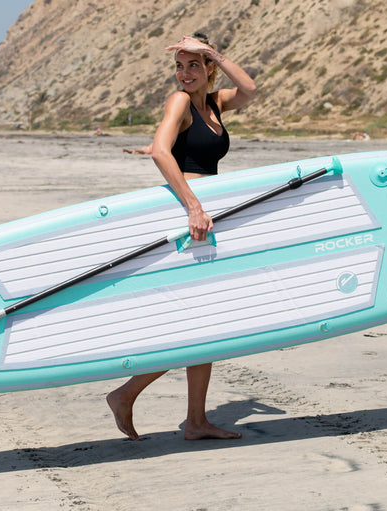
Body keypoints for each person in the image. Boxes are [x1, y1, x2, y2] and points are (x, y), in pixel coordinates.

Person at [107, 32, 257, 441]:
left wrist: (216, 55)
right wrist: (193, 206)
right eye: (179, 65)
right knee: (199, 321)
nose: (184, 73)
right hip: (189, 218)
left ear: (208, 68)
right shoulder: (179, 102)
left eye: (194, 65)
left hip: (204, 217)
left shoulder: (214, 103)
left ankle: (195, 421)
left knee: (205, 320)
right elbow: (161, 150)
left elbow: (250, 89)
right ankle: (127, 393)